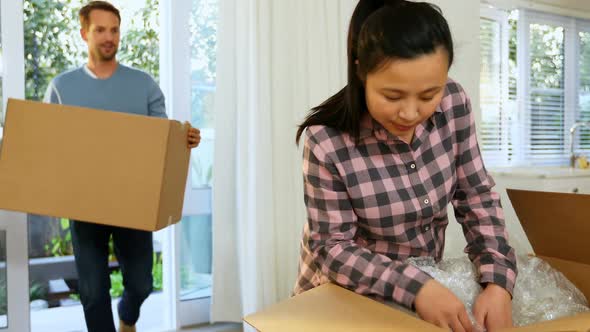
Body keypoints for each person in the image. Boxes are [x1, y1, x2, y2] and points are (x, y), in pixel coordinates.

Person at [293, 1, 517, 331]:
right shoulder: (326, 141)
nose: (410, 113)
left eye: (428, 94)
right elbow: (333, 249)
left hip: (423, 297)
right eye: (393, 96)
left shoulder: (454, 102)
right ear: (360, 72)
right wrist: (417, 287)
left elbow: (476, 196)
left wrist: (497, 281)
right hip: (343, 300)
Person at [43, 2, 201, 331]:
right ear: (84, 33)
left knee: (142, 282)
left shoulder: (143, 84)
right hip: (84, 202)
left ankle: (128, 316)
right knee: (92, 291)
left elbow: (163, 137)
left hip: (133, 200)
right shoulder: (62, 86)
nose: (109, 37)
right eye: (100, 30)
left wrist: (183, 138)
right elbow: (51, 145)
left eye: (114, 29)